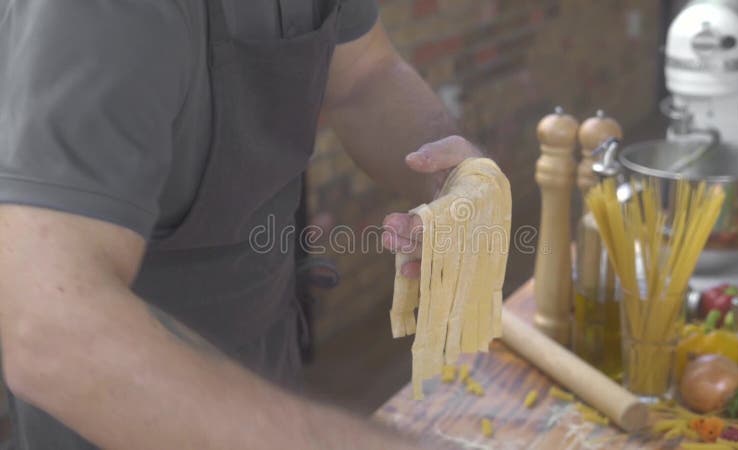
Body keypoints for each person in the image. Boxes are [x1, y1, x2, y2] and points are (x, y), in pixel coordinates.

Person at [0, 0, 488, 448]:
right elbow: (48, 328)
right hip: (119, 410)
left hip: (264, 368)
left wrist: (453, 176)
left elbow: (365, 74)